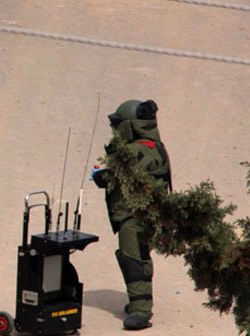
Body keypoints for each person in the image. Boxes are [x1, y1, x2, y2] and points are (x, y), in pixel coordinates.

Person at [91, 99, 172, 330]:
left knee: (134, 260)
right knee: (136, 257)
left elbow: (122, 174)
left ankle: (141, 311)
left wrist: (103, 176)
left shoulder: (139, 150)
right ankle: (139, 302)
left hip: (136, 218)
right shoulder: (153, 147)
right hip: (139, 216)